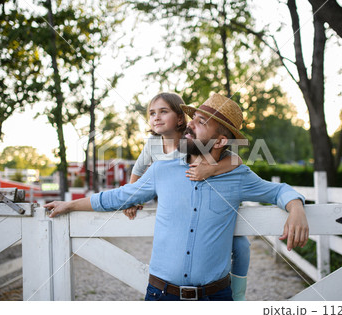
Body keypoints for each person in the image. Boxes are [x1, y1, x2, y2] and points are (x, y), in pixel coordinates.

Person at [45, 93, 309, 301]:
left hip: (215, 299)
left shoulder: (238, 176)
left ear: (219, 142)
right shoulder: (161, 169)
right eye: (192, 119)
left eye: (201, 122)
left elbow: (278, 190)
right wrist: (69, 204)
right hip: (161, 296)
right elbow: (117, 197)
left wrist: (296, 207)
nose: (189, 124)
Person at [123, 92, 251, 300]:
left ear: (181, 119)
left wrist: (212, 170)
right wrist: (133, 197)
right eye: (152, 113)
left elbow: (236, 160)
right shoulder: (153, 144)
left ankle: (237, 294)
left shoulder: (191, 139)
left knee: (241, 245)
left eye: (164, 112)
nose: (156, 117)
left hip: (211, 203)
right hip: (179, 204)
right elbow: (137, 172)